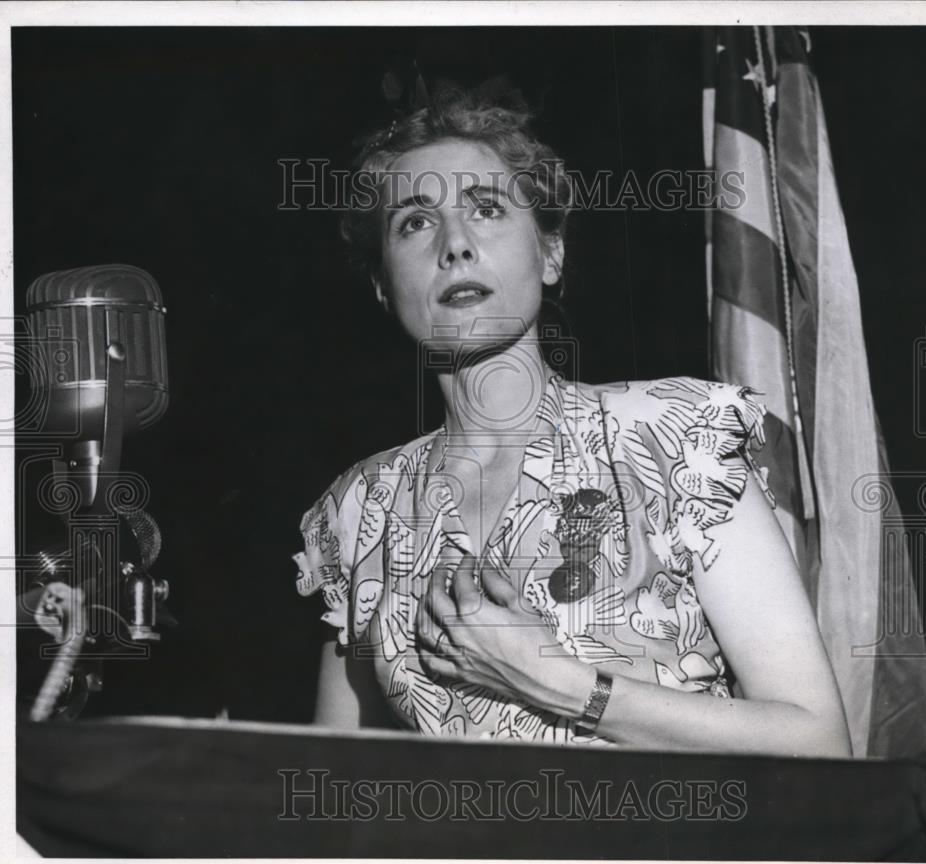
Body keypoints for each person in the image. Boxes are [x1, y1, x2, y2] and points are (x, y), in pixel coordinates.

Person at [293, 91, 851, 756]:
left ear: (550, 254)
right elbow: (342, 784)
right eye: (415, 223)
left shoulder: (674, 436)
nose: (456, 246)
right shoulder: (359, 509)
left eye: (488, 209)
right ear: (384, 285)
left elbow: (819, 744)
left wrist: (558, 682)